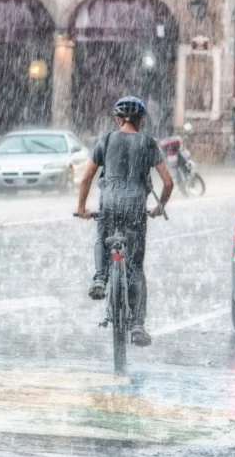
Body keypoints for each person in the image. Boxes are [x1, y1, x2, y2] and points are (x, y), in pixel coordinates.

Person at [76, 96, 174, 347]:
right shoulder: (148, 143)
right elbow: (168, 182)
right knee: (135, 268)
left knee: (102, 237)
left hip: (109, 204)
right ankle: (138, 325)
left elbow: (86, 179)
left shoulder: (106, 140)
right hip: (135, 208)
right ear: (140, 121)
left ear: (118, 119)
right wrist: (159, 207)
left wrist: (81, 208)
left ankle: (99, 278)